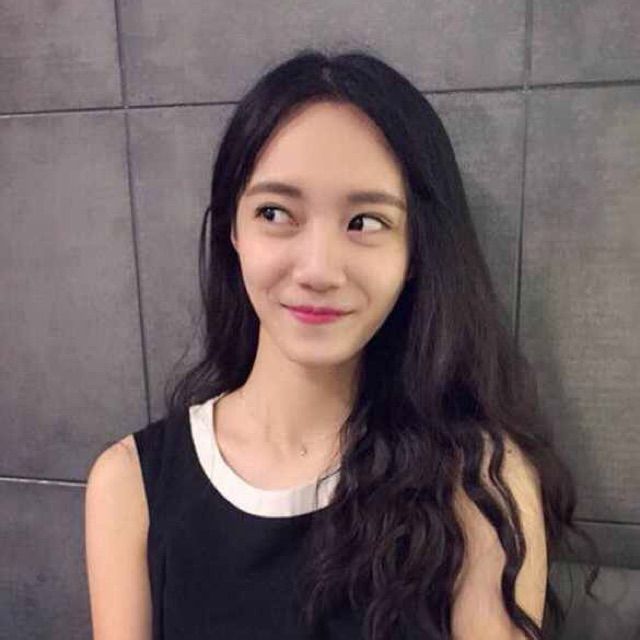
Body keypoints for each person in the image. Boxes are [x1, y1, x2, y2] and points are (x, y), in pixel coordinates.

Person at [84, 48, 600, 640]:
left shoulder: (480, 487)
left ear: (415, 252)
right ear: (233, 230)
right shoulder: (131, 484)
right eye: (275, 212)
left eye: (366, 222)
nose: (318, 270)